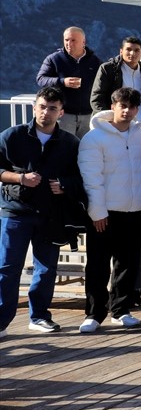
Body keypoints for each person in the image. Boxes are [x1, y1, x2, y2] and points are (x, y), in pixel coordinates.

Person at [0, 86, 85, 336]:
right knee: (7, 267)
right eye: (42, 106)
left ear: (61, 113)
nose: (45, 112)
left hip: (51, 213)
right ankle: (2, 321)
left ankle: (38, 316)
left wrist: (65, 186)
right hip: (15, 211)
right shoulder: (12, 136)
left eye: (52, 108)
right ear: (34, 107)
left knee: (46, 267)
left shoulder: (70, 143)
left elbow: (81, 177)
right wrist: (19, 178)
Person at [78, 87, 141, 332]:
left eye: (132, 106)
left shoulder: (139, 135)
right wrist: (97, 211)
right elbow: (91, 178)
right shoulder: (93, 138)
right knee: (97, 264)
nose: (126, 110)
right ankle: (93, 314)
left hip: (134, 211)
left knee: (128, 263)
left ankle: (121, 310)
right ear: (112, 106)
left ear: (137, 110)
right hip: (104, 213)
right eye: (122, 105)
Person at [36, 27, 102, 139]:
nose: (69, 43)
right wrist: (62, 82)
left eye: (73, 40)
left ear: (83, 42)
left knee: (86, 149)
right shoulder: (54, 59)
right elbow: (41, 79)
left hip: (88, 115)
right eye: (66, 40)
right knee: (63, 149)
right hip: (64, 115)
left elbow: (102, 84)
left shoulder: (95, 61)